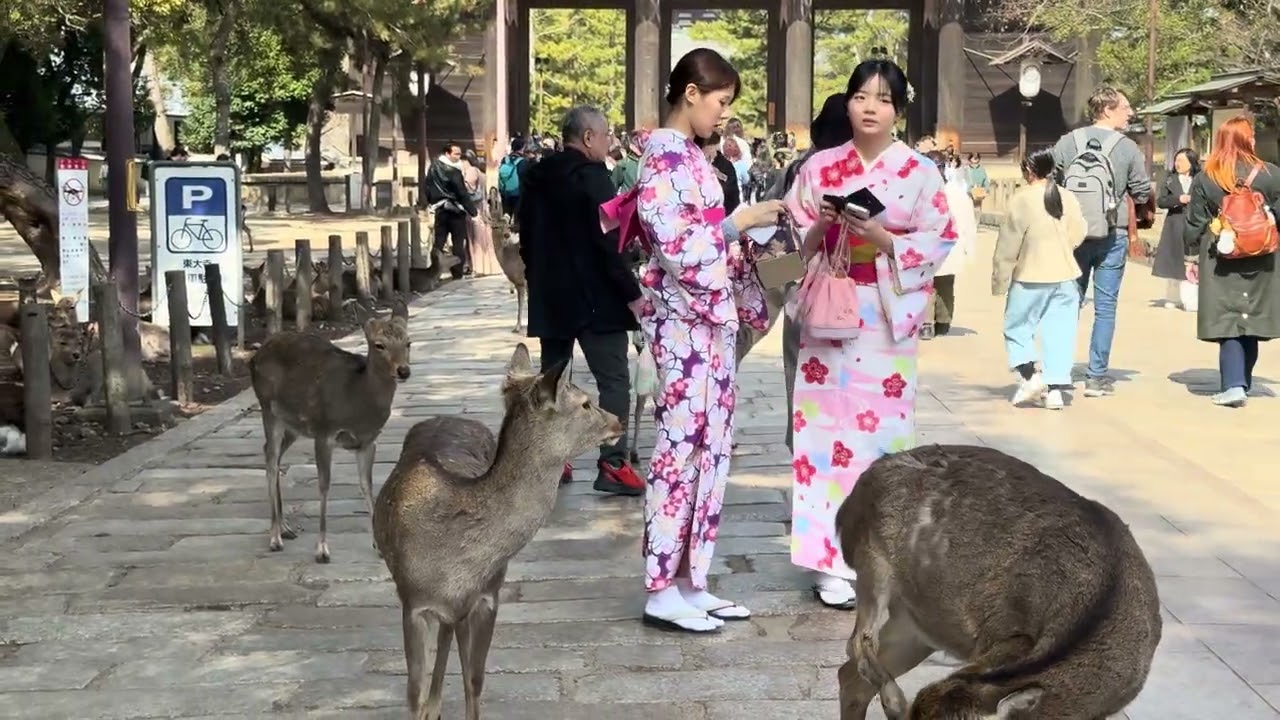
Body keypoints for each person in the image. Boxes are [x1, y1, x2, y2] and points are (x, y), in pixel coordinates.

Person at [783, 59, 955, 609]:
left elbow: (941, 237)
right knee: (821, 439)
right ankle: (828, 561)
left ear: (899, 110)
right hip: (830, 312)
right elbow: (790, 242)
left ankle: (881, 552)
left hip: (885, 319)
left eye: (883, 99)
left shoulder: (921, 172)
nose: (870, 107)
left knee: (883, 440)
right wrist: (821, 227)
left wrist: (883, 239)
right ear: (848, 103)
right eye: (860, 96)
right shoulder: (819, 169)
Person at [632, 48, 785, 633]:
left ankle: (690, 578)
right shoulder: (664, 158)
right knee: (679, 451)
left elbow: (700, 241)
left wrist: (750, 239)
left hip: (706, 327)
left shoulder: (689, 158)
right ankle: (659, 586)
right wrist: (736, 226)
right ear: (691, 93)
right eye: (721, 102)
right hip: (683, 327)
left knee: (708, 451)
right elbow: (678, 248)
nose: (724, 115)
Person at [517, 106, 647, 495]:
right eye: (606, 136)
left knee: (551, 379)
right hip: (596, 297)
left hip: (551, 294)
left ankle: (552, 460)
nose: (609, 144)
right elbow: (610, 245)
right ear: (588, 137)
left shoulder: (536, 177)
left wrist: (538, 275)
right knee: (613, 380)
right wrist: (632, 294)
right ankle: (612, 464)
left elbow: (525, 236)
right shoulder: (594, 180)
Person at [1050, 85, 1152, 398]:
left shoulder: (1068, 142)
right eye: (1125, 107)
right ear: (1107, 110)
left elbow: (1049, 180)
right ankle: (1096, 377)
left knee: (1068, 302)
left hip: (1074, 235)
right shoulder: (1127, 147)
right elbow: (1141, 191)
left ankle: (1059, 372)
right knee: (1105, 307)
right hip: (1113, 232)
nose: (1130, 113)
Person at [1182, 116, 1280, 408]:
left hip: (1220, 251)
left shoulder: (1206, 177)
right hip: (1262, 252)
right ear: (1247, 140)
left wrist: (1190, 258)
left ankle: (1234, 385)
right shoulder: (1271, 174)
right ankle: (1242, 382)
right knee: (1249, 316)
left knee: (1228, 318)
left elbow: (1195, 223)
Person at [992, 149, 1088, 410]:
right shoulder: (1067, 196)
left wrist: (1000, 277)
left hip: (1030, 273)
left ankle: (1031, 376)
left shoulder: (1022, 199)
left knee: (1016, 327)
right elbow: (1079, 232)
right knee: (1060, 331)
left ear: (1029, 172)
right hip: (1066, 273)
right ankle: (1056, 390)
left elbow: (1009, 242)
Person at [921, 151, 977, 339]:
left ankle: (927, 324)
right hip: (948, 247)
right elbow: (969, 222)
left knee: (926, 283)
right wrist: (969, 247)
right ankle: (943, 322)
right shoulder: (957, 194)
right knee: (944, 284)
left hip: (930, 246)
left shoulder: (920, 191)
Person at [1151, 148, 1201, 310]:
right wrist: (1178, 199)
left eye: (1182, 160)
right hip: (1175, 222)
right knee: (1174, 260)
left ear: (1191, 162)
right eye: (1176, 160)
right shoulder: (1169, 179)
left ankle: (1191, 299)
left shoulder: (1200, 179)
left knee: (1192, 262)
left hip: (1194, 222)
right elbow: (1161, 201)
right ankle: (1172, 297)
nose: (1178, 164)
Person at [426, 141, 478, 278]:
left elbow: (427, 186)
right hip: (456, 210)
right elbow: (462, 193)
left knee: (439, 242)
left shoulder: (433, 167)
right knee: (458, 243)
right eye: (456, 154)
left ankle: (434, 272)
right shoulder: (454, 171)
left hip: (440, 209)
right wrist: (472, 210)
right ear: (447, 153)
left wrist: (430, 202)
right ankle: (457, 272)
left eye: (460, 154)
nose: (458, 156)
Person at [461, 149, 498, 277]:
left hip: (474, 209)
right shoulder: (481, 172)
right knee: (484, 239)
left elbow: (467, 190)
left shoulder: (471, 172)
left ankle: (478, 267)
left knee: (475, 239)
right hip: (482, 208)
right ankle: (487, 266)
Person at [699, 131, 741, 215]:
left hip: (724, 212)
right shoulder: (697, 163)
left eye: (708, 148)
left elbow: (729, 191)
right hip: (703, 213)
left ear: (715, 147)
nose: (704, 153)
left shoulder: (725, 165)